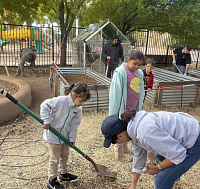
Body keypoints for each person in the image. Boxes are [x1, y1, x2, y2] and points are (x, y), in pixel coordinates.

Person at [101, 109, 200, 189]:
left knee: (161, 181)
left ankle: (170, 177)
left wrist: (158, 168)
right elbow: (139, 159)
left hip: (194, 139)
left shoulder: (146, 134)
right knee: (158, 156)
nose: (117, 144)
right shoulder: (132, 128)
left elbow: (179, 155)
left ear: (120, 136)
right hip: (187, 128)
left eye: (115, 142)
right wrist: (133, 185)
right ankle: (173, 174)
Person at [40, 83, 91, 189]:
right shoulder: (60, 101)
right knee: (54, 159)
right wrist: (47, 120)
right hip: (53, 135)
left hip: (65, 136)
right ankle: (52, 180)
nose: (82, 104)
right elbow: (44, 105)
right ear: (73, 96)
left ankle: (64, 174)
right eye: (80, 101)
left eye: (84, 102)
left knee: (64, 156)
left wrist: (72, 138)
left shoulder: (78, 109)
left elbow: (74, 125)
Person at [109, 50, 145, 161]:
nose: (137, 67)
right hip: (122, 109)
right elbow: (115, 94)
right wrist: (114, 115)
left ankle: (125, 149)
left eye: (139, 65)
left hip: (133, 108)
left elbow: (140, 91)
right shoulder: (120, 73)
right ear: (128, 59)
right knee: (120, 130)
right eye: (134, 63)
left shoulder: (139, 73)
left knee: (128, 129)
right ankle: (119, 154)